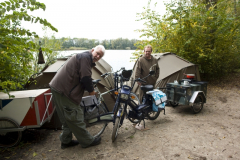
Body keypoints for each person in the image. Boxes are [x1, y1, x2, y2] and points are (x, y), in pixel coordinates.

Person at [49, 45, 105, 149]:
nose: (97, 56)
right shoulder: (85, 57)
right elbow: (85, 77)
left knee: (67, 117)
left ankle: (66, 141)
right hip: (64, 91)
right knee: (75, 115)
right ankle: (87, 141)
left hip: (57, 88)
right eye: (97, 53)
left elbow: (81, 76)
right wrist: (91, 91)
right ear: (92, 50)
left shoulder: (84, 57)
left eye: (100, 56)